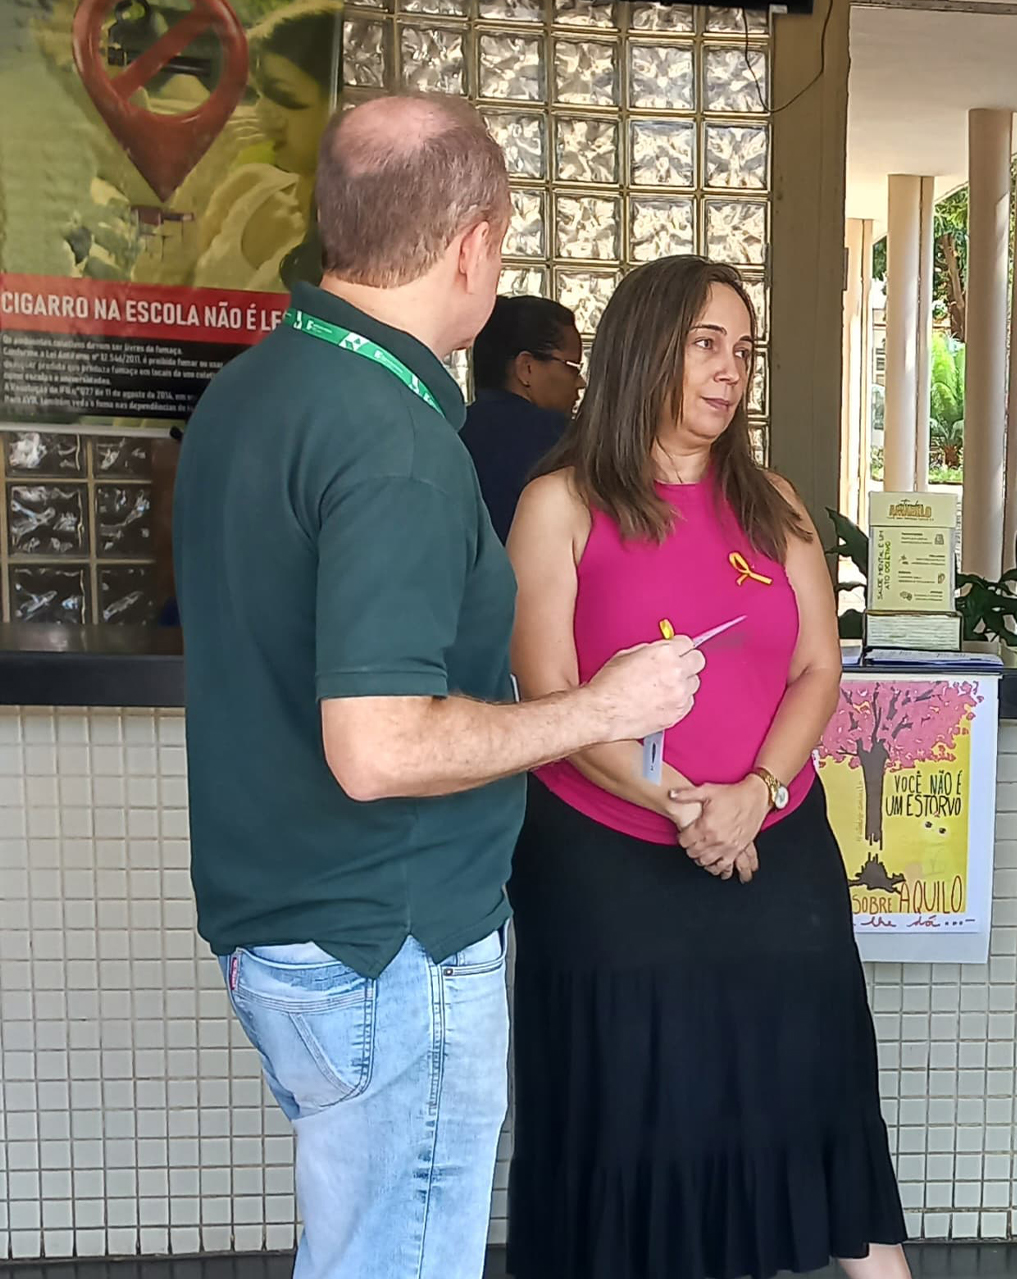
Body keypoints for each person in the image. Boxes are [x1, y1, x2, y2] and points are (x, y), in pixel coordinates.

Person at [171, 94, 706, 1279]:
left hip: (290, 931)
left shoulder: (254, 394)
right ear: (473, 243)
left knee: (362, 1247)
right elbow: (378, 745)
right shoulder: (393, 438)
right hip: (388, 945)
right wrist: (601, 709)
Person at [503, 255, 911, 1279]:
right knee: (640, 1122)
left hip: (776, 851)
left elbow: (821, 664)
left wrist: (755, 795)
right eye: (707, 344)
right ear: (645, 349)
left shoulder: (771, 501)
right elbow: (550, 694)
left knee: (817, 1097)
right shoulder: (560, 503)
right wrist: (688, 809)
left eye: (744, 350)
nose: (732, 371)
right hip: (608, 872)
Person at [191, 0, 341, 292]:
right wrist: (202, 176)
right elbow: (157, 288)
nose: (261, 113)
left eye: (282, 95)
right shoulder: (247, 188)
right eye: (259, 94)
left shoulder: (360, 244)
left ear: (341, 106)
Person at [460, 295, 584, 542]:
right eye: (572, 367)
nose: (580, 382)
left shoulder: (452, 431)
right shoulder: (561, 442)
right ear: (526, 367)